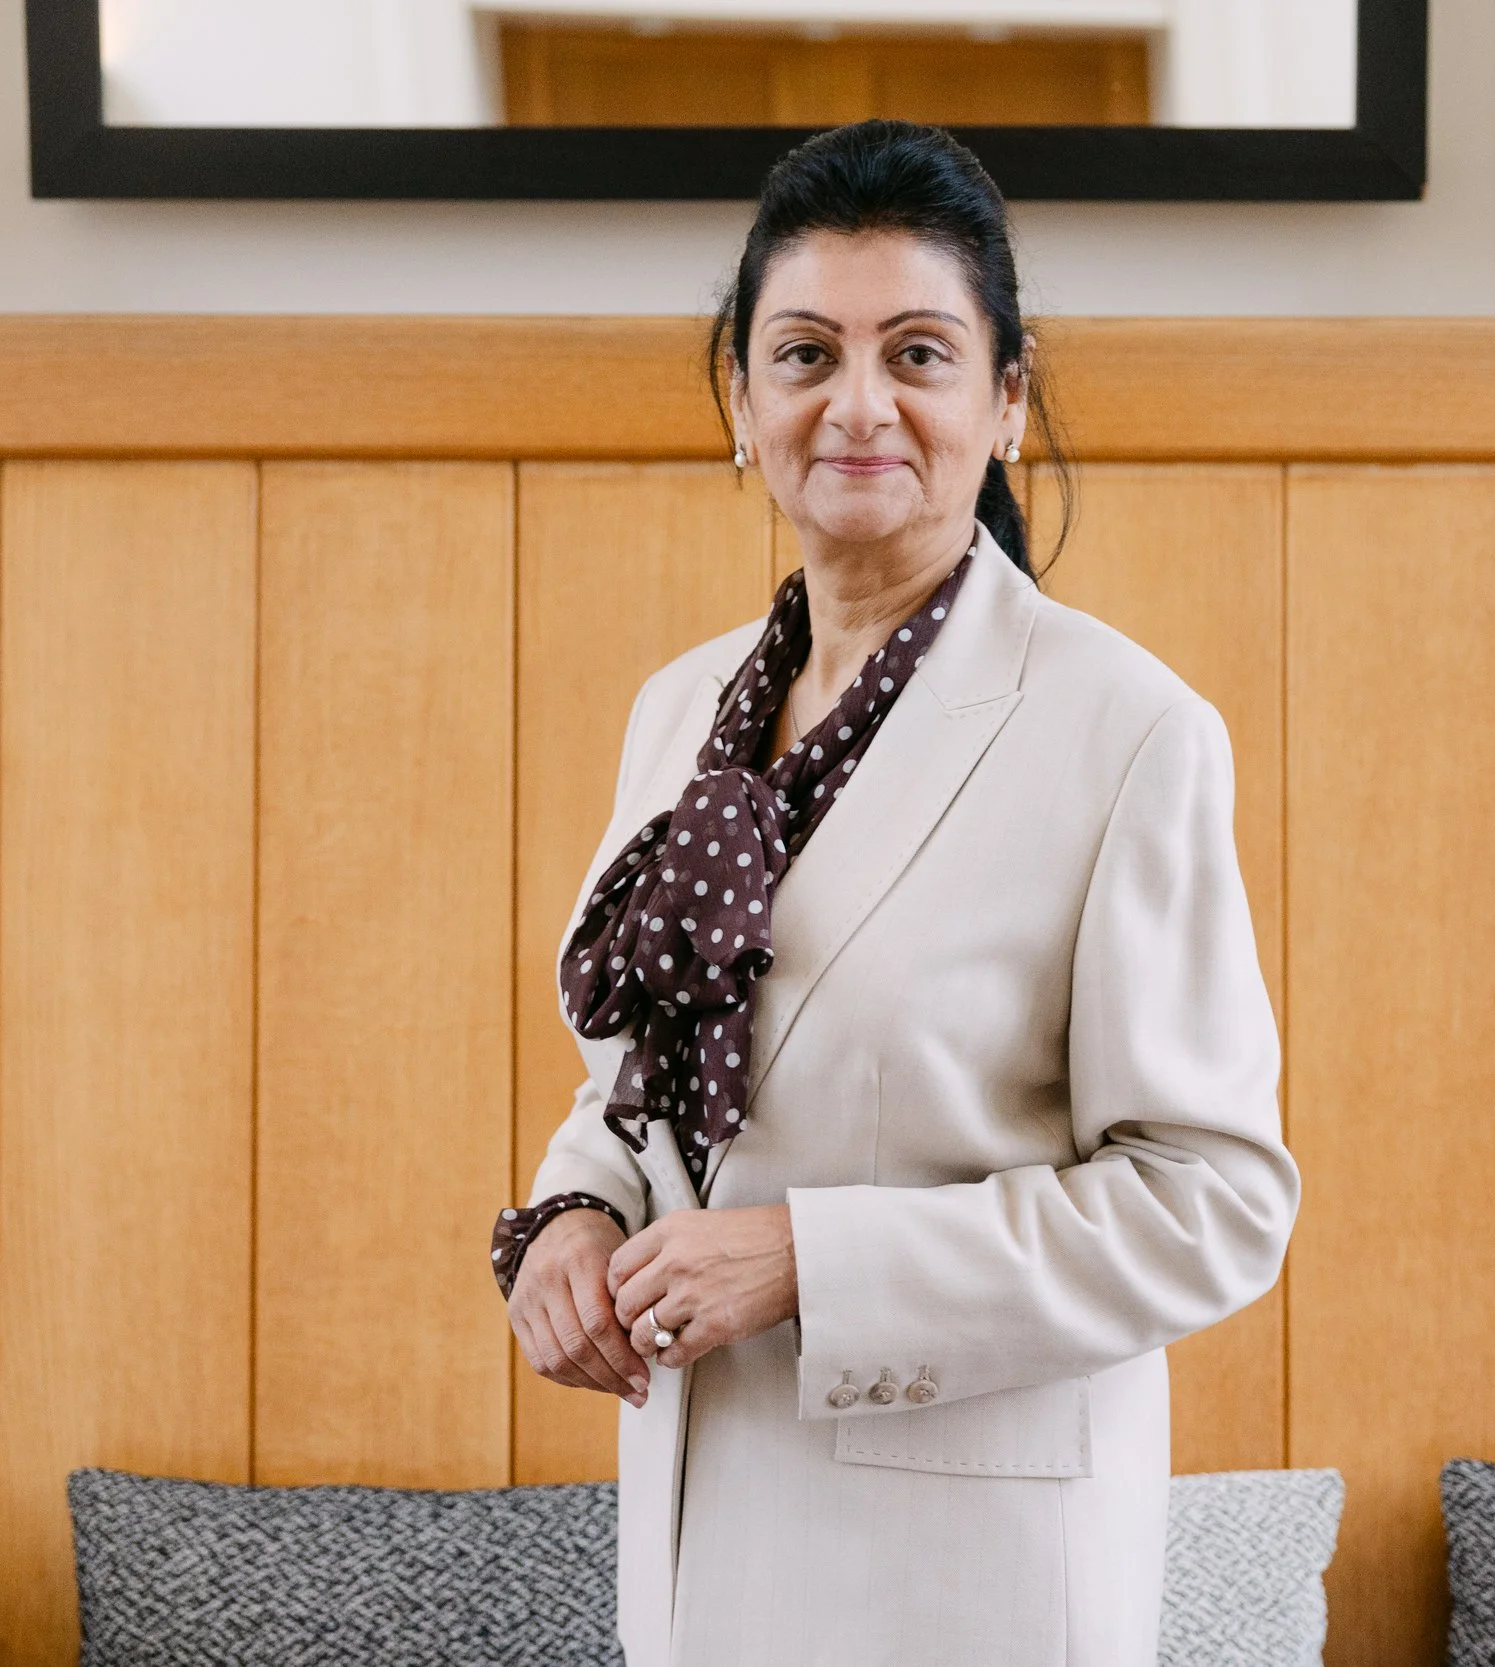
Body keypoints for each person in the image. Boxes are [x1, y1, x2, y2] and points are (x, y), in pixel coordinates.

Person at [492, 119, 1297, 1667]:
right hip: (694, 1546)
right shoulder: (682, 710)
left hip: (969, 1586)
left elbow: (1215, 1202)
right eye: (804, 354)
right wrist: (571, 1217)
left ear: (1006, 398)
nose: (856, 404)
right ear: (741, 398)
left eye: (917, 352)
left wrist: (817, 1259)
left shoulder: (1127, 731)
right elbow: (648, 1076)